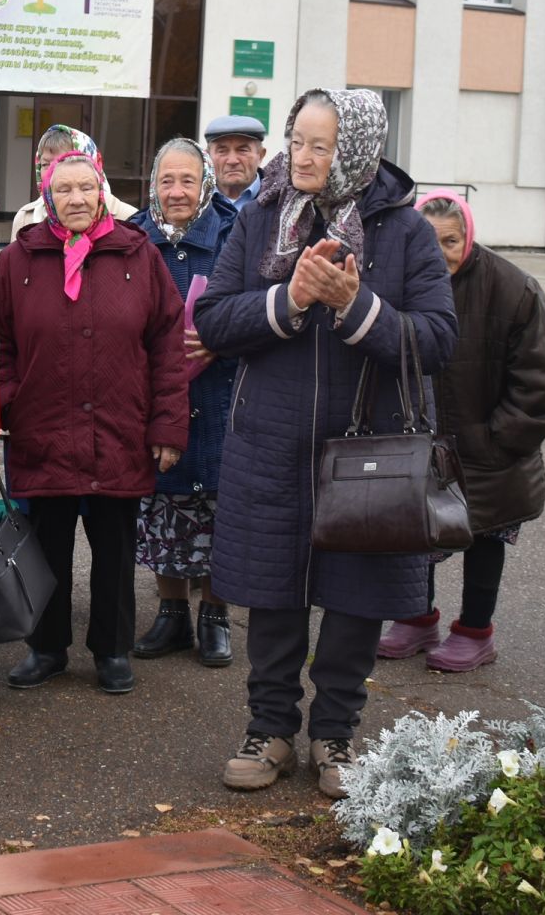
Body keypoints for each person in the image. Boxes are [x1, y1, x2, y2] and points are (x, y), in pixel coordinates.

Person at [195, 88, 455, 799]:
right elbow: (214, 320)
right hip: (270, 443)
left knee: (354, 599)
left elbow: (437, 340)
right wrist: (293, 300)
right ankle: (270, 728)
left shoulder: (403, 232)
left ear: (359, 149)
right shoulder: (259, 217)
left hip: (367, 451)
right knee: (272, 594)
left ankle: (336, 731)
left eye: (322, 145)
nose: (303, 158)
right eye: (298, 141)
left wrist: (353, 304)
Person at [0, 145, 190, 694]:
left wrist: (168, 426)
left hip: (120, 429)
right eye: (63, 191)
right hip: (43, 427)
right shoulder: (17, 261)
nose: (76, 199)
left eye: (85, 188)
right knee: (46, 546)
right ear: (47, 198)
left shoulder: (138, 256)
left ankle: (112, 650)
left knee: (114, 549)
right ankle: (47, 648)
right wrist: (8, 399)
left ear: (101, 190)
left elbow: (168, 346)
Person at [377, 191, 545, 672]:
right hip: (423, 442)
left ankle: (476, 632)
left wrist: (494, 440)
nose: (441, 253)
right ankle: (418, 619)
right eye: (429, 241)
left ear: (469, 237)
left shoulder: (514, 289)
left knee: (484, 540)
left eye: (451, 241)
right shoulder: (402, 284)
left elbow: (539, 388)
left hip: (489, 450)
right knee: (417, 535)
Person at [129, 138, 238, 668]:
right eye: (166, 181)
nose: (177, 191)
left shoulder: (235, 234)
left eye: (187, 181)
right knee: (161, 507)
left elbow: (260, 306)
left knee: (222, 507)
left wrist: (223, 339)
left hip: (222, 393)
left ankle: (214, 615)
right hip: (156, 395)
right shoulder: (134, 236)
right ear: (154, 184)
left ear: (206, 184)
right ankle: (171, 613)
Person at [8, 125, 138, 239]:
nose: (53, 171)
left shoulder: (128, 217)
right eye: (46, 164)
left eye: (63, 161)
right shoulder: (26, 217)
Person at [202, 113, 268, 216]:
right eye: (222, 151)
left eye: (242, 150)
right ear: (208, 157)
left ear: (260, 155)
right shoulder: (195, 202)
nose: (232, 161)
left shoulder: (280, 202)